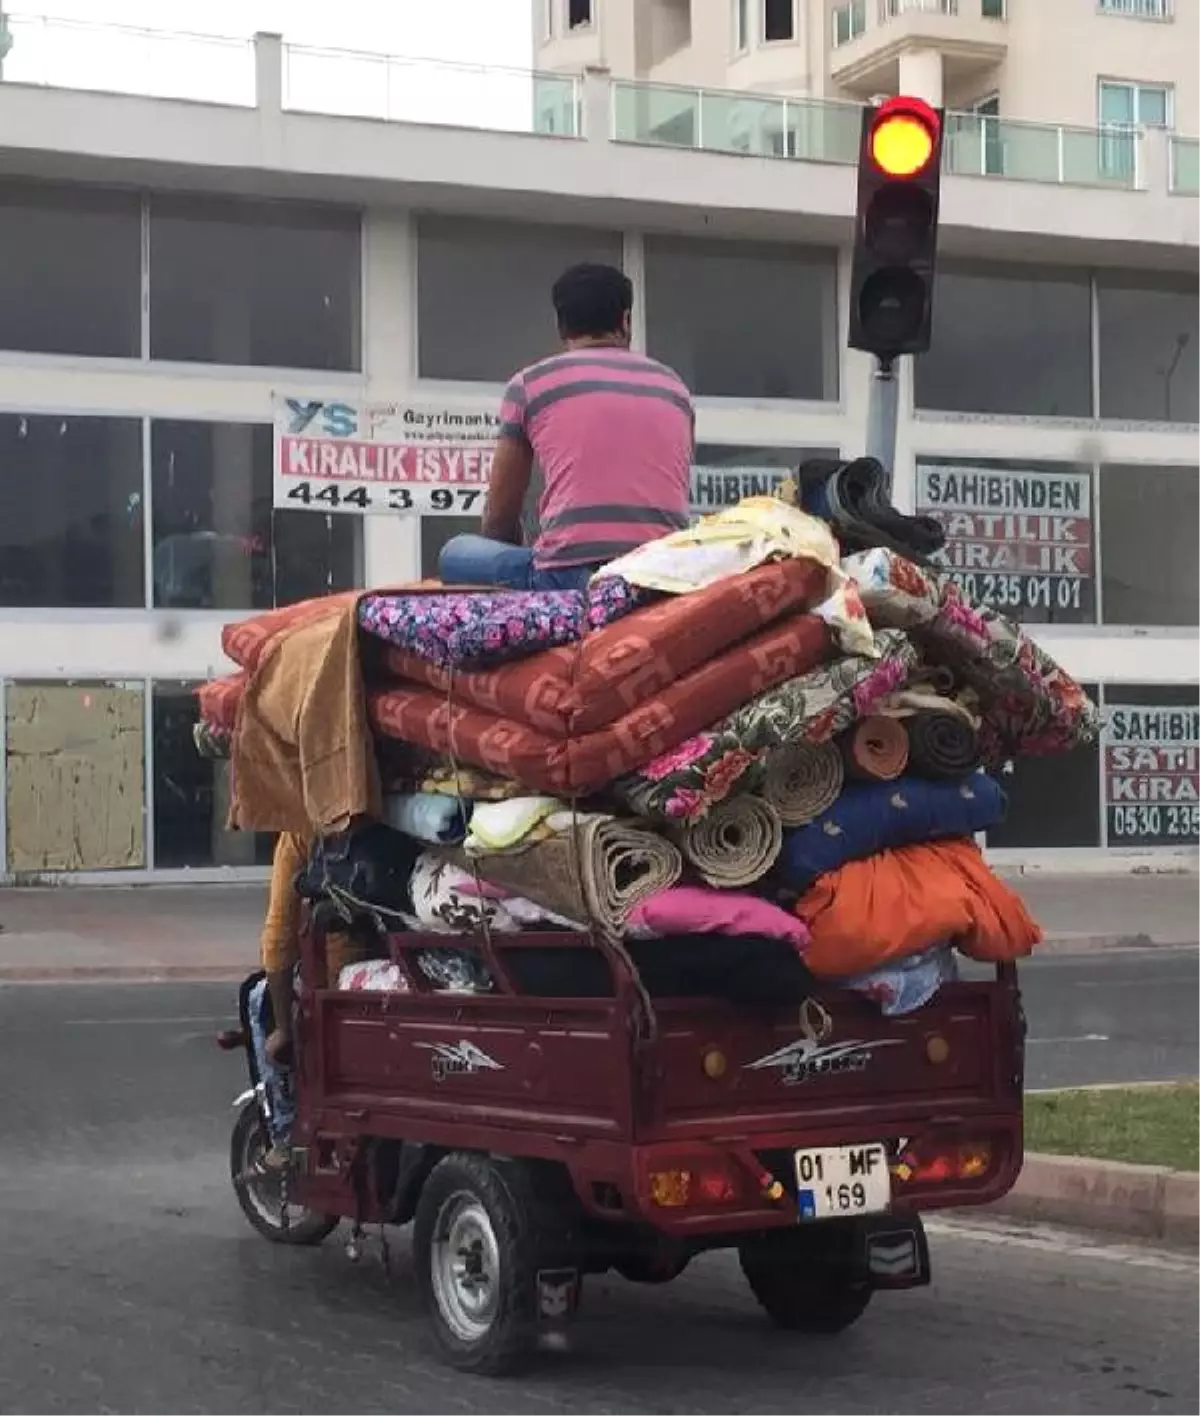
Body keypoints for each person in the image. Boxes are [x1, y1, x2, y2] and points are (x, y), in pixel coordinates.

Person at [438, 262, 695, 592]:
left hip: (569, 577)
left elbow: (500, 516)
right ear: (625, 320)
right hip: (663, 573)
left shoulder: (531, 384)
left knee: (456, 552)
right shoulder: (674, 387)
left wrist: (523, 552)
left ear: (561, 324)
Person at [248, 832, 371, 1170]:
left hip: (337, 982)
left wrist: (283, 1030)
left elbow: (279, 936)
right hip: (394, 967)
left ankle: (288, 1136)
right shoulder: (387, 812)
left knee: (260, 998)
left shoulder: (302, 832)